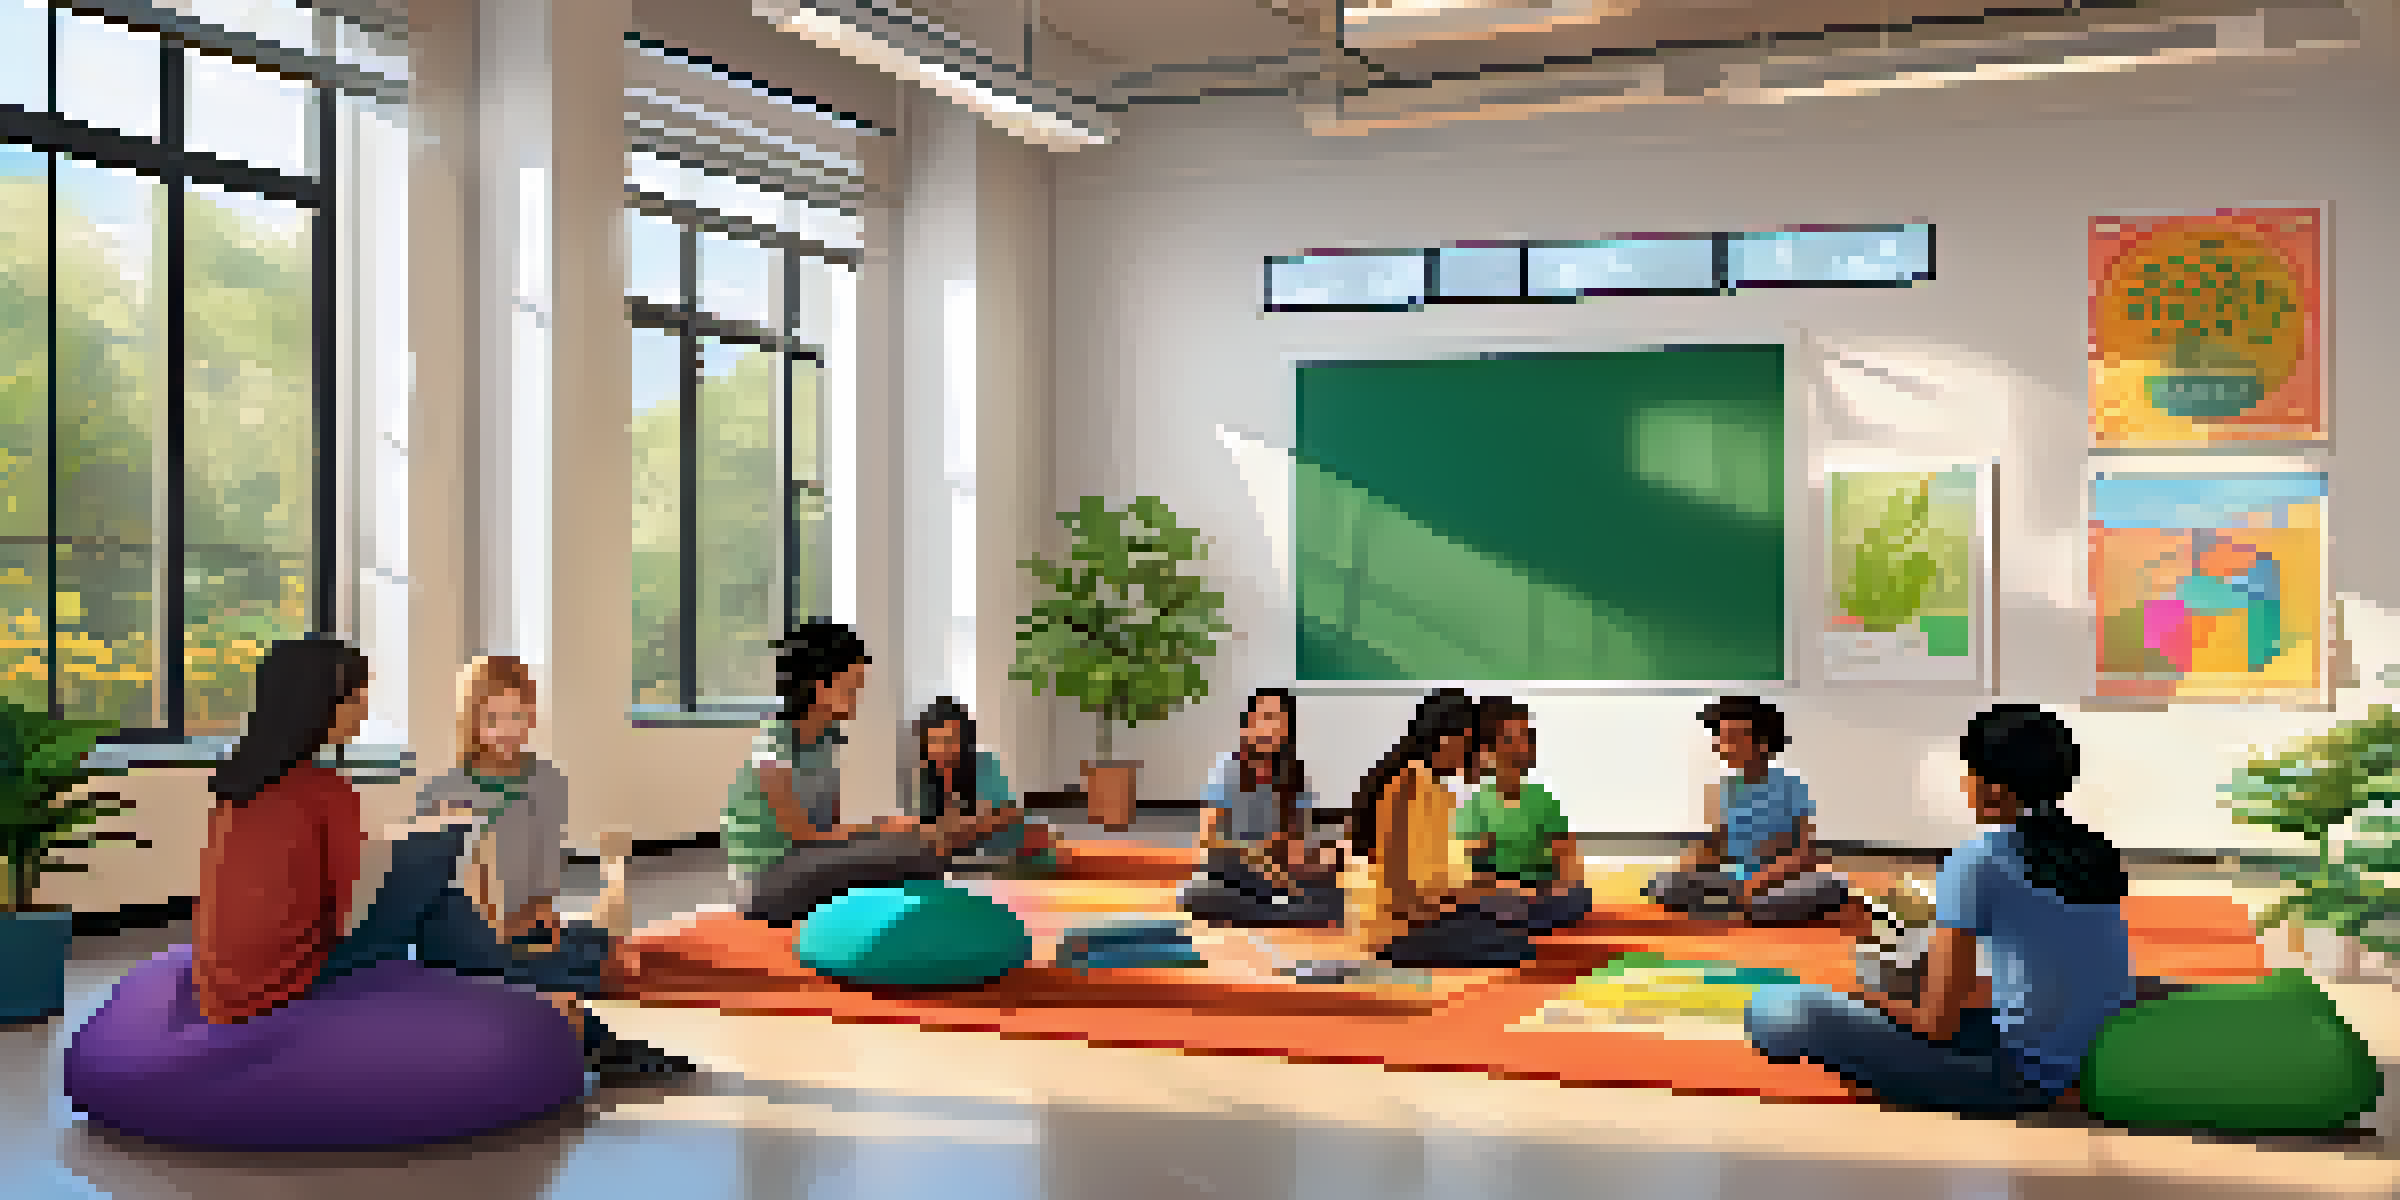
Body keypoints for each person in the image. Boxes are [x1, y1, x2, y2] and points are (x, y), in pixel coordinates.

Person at [194, 637, 689, 1080]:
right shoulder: (325, 789)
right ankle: (582, 1029)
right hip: (292, 983)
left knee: (438, 890)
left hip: (227, 986)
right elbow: (350, 909)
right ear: (318, 705)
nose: (363, 712)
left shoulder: (238, 786)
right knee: (439, 871)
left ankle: (550, 1003)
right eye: (356, 700)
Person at [1746, 705, 2135, 1114]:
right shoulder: (2095, 852)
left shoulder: (1978, 860)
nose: (1963, 780)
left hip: (2014, 1081)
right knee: (1910, 994)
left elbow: (1936, 1024)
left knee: (1780, 1006)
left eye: (1967, 769)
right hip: (2085, 1057)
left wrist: (1868, 1002)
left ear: (1995, 789)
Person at [413, 655, 689, 1079]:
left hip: (526, 917)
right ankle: (584, 1002)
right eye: (495, 717)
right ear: (471, 719)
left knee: (601, 952)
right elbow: (450, 881)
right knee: (576, 962)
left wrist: (540, 907)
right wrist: (496, 923)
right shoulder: (444, 791)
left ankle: (613, 870)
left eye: (518, 716)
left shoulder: (545, 779)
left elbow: (546, 856)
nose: (509, 730)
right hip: (478, 924)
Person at [723, 621, 1021, 926]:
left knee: (919, 842)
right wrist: (884, 827)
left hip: (805, 860)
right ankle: (916, 925)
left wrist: (891, 829)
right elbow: (802, 835)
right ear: (819, 687)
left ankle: (908, 923)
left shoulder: (828, 738)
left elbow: (830, 829)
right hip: (764, 882)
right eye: (850, 688)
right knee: (915, 846)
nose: (857, 698)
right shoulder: (774, 744)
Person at [1350, 690, 1535, 968]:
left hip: (1433, 911)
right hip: (1401, 930)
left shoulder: (1439, 791)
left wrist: (1479, 891)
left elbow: (1444, 871)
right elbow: (1402, 889)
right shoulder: (1406, 786)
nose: (1470, 752)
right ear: (1446, 739)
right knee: (1515, 943)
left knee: (1514, 912)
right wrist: (1454, 903)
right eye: (1467, 742)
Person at [1644, 696, 1851, 925]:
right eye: (1720, 738)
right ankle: (1742, 908)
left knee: (1828, 885)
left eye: (1731, 739)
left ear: (1761, 742)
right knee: (1664, 884)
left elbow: (1804, 854)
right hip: (1737, 880)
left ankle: (1740, 908)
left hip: (1781, 879)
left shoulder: (1790, 786)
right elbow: (1718, 847)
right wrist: (1692, 862)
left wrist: (1762, 879)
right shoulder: (1723, 789)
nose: (1720, 746)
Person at [1178, 688, 1343, 927]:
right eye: (1265, 718)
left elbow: (1299, 840)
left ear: (1288, 730)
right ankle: (1282, 911)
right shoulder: (1228, 769)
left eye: (1279, 720)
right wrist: (1256, 858)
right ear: (1249, 725)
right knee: (1201, 892)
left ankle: (1273, 909)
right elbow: (1208, 839)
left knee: (1333, 888)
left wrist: (1316, 856)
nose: (1272, 728)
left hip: (1279, 873)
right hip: (1235, 870)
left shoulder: (1294, 775)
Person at [1455, 697, 1591, 934]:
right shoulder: (1477, 804)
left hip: (1543, 892)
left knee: (1577, 898)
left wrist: (1555, 888)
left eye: (1526, 736)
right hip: (1502, 893)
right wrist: (1509, 889)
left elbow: (1568, 859)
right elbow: (1471, 872)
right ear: (1490, 748)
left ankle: (1523, 922)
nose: (1522, 745)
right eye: (1511, 738)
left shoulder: (1542, 798)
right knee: (1491, 906)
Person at [910, 695, 1056, 870]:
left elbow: (1001, 815)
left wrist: (950, 829)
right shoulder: (928, 777)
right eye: (934, 741)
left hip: (1016, 851)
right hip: (968, 858)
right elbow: (931, 830)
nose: (942, 749)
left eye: (949, 740)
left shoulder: (983, 764)